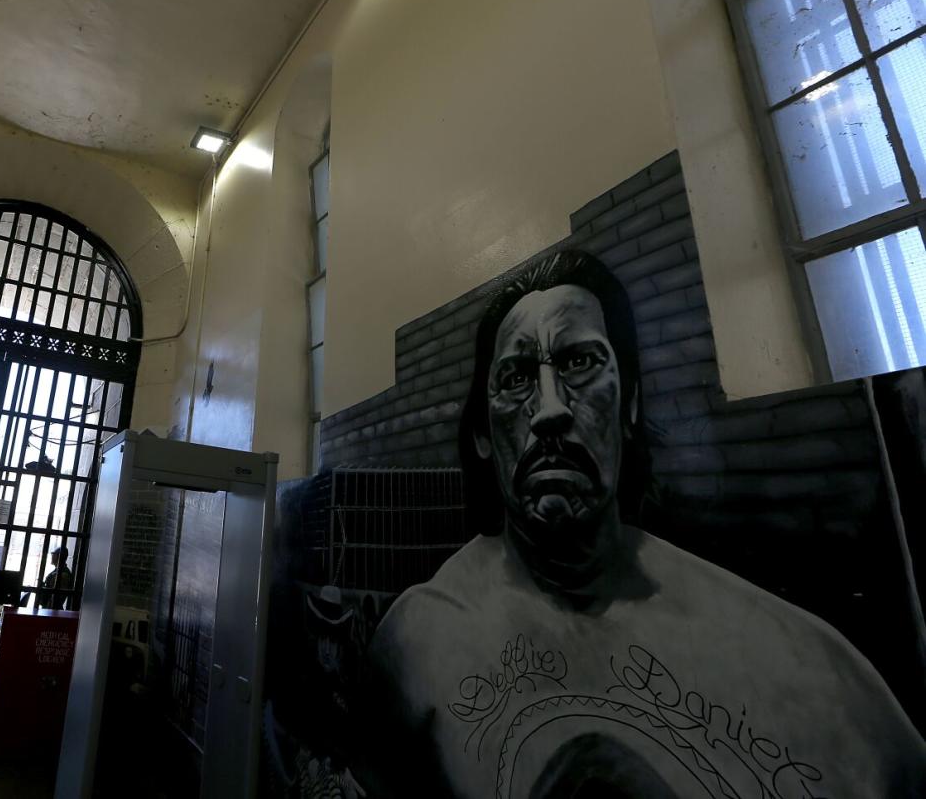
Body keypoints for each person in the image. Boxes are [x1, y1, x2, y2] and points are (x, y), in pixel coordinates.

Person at [364, 250, 926, 797]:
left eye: (579, 362)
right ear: (484, 435)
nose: (551, 409)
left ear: (629, 403)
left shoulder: (815, 672)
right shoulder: (420, 643)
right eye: (515, 378)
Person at [38, 545, 73, 610]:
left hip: (52, 611)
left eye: (53, 554)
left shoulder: (63, 574)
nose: (51, 556)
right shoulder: (59, 571)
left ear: (58, 556)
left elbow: (57, 598)